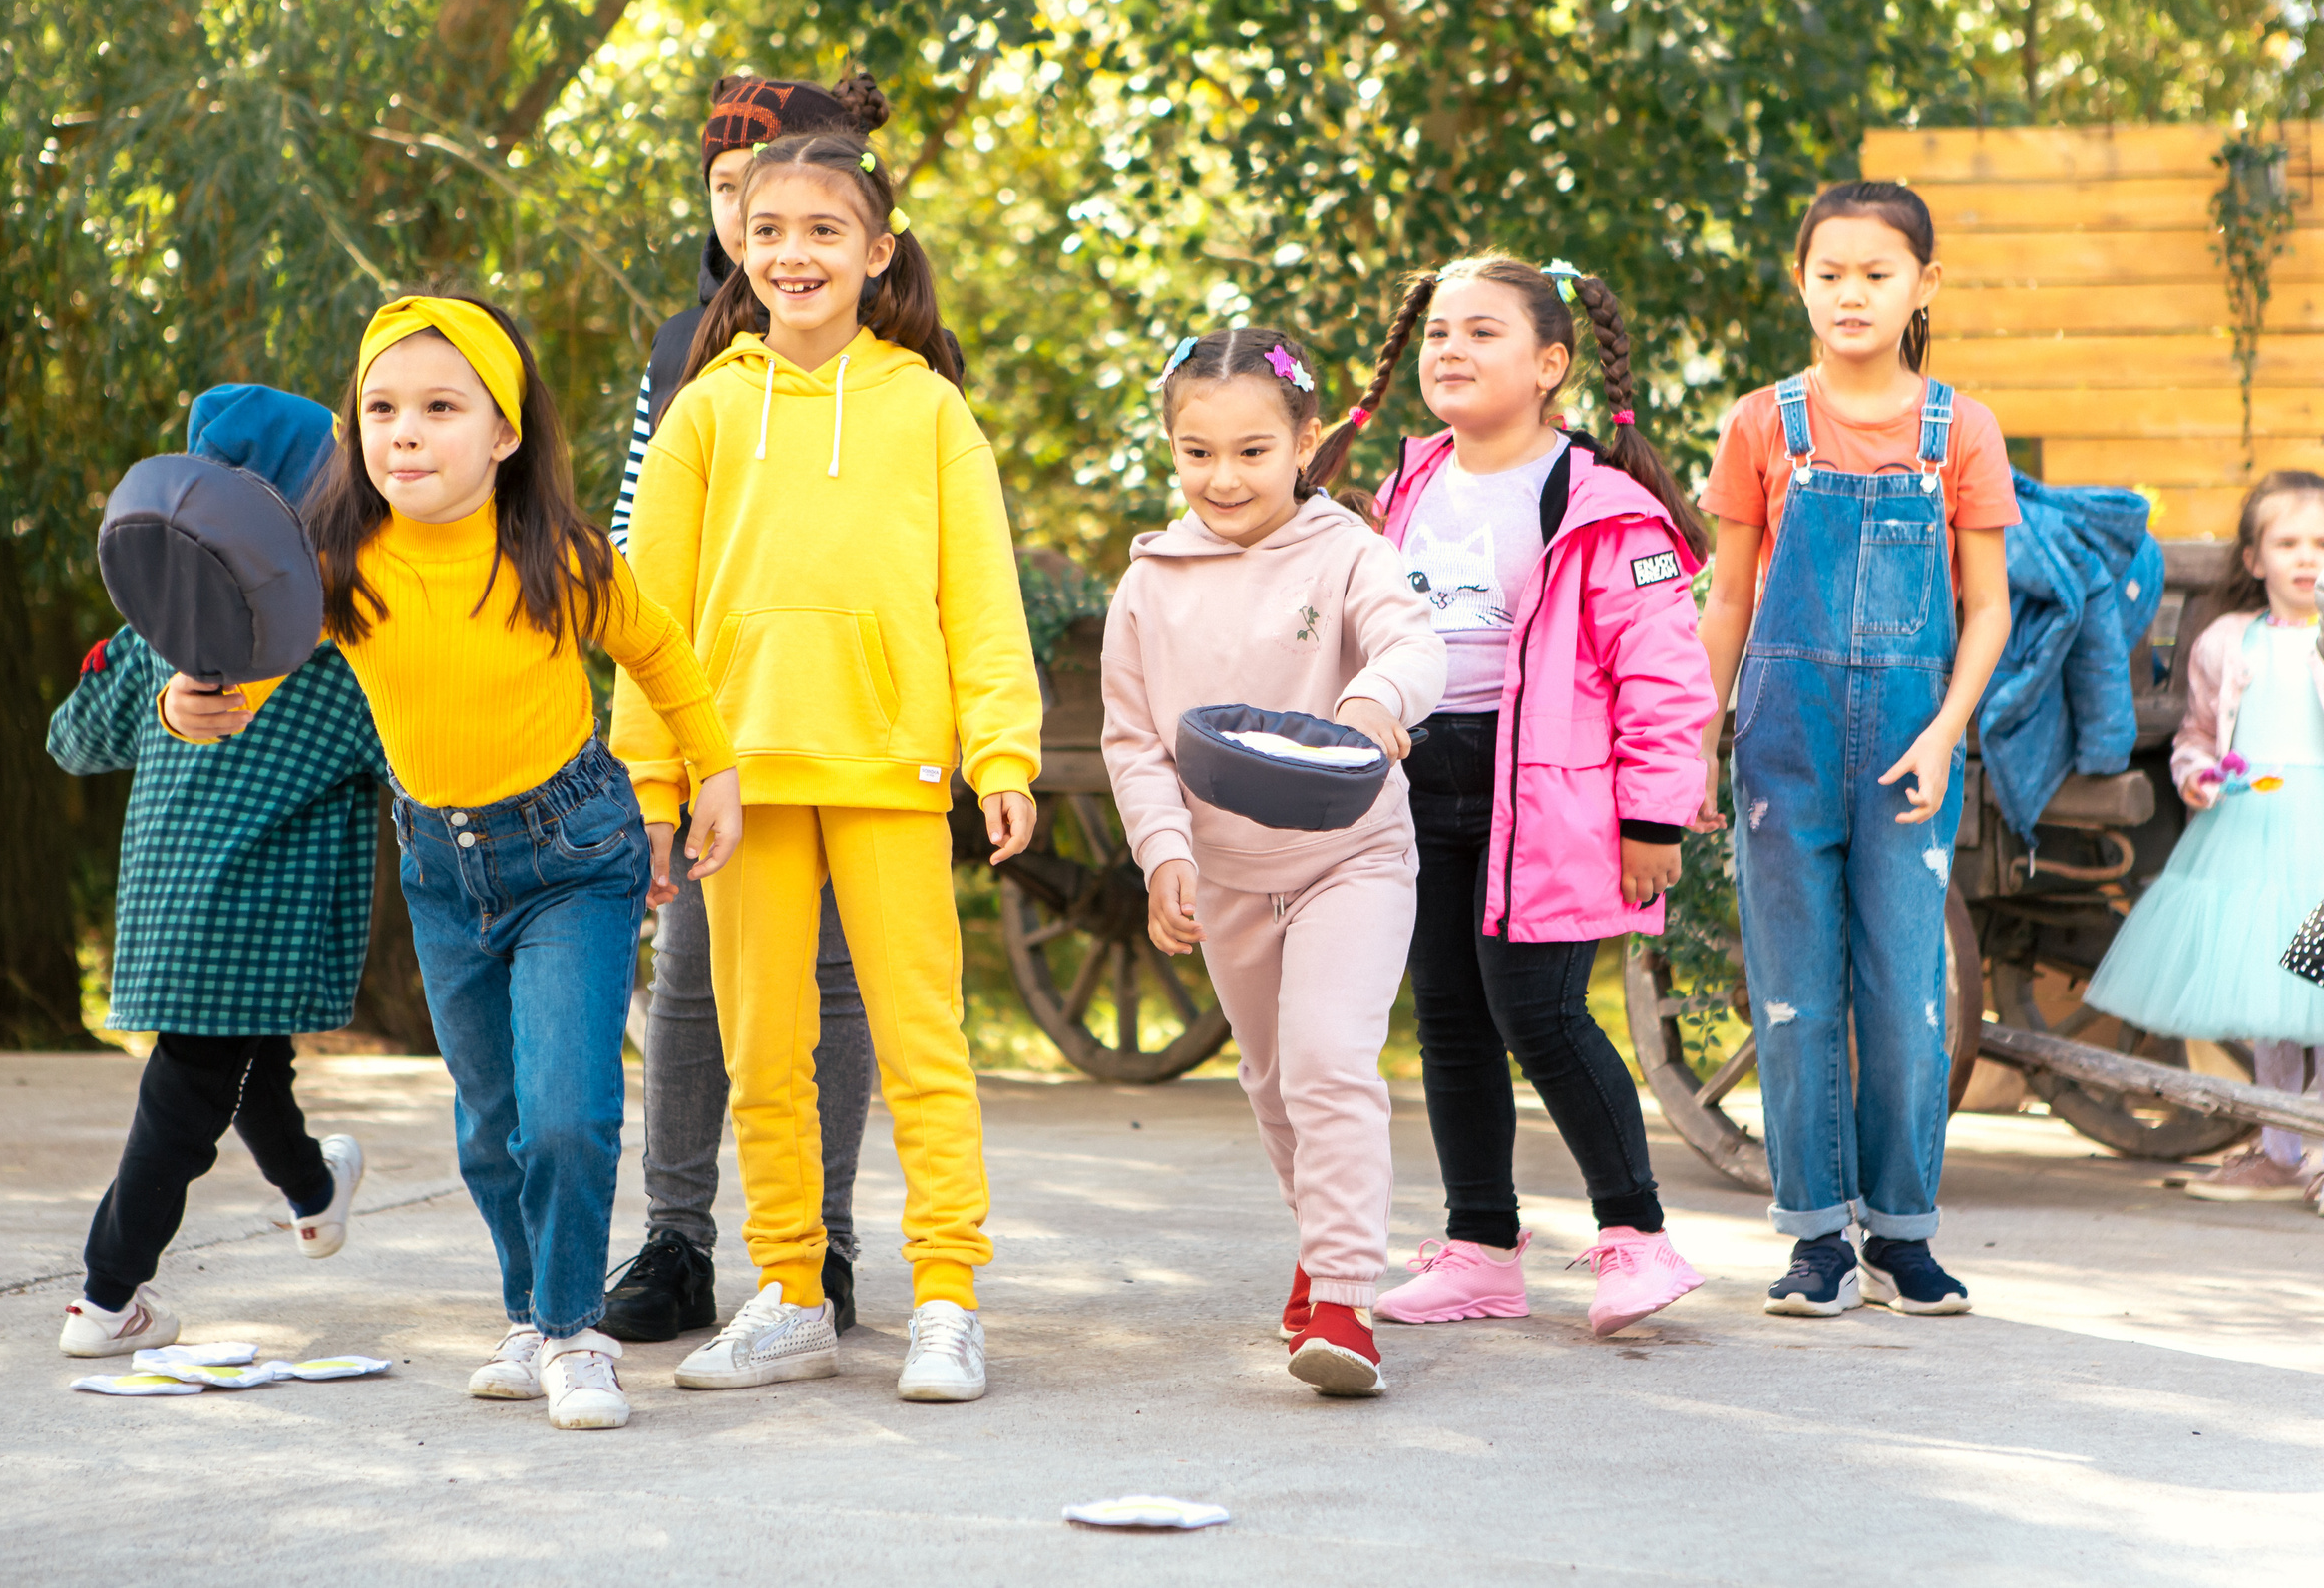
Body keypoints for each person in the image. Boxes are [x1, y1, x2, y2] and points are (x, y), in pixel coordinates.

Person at [181, 295, 742, 1430]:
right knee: (490, 1125)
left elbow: (659, 649)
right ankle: (529, 1315)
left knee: (568, 1114)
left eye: (441, 408)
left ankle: (577, 1334)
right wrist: (190, 702)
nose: (406, 431)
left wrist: (714, 770)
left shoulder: (557, 556)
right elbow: (239, 683)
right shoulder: (338, 565)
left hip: (575, 853)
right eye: (382, 408)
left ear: (504, 434)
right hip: (443, 868)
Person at [611, 130, 1039, 1404]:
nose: (792, 253)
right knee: (762, 1050)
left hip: (889, 767)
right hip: (736, 778)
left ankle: (948, 1299)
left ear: (876, 252)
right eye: (768, 230)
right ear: (737, 247)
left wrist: (1001, 750)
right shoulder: (704, 408)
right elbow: (648, 613)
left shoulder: (928, 409)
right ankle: (791, 1294)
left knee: (922, 1044)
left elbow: (981, 595)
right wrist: (652, 780)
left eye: (822, 231)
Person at [1356, 257, 1717, 1338]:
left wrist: (1653, 817)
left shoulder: (1602, 506)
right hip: (1422, 785)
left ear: (1550, 364)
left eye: (1482, 333)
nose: (1451, 350)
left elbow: (1664, 675)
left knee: (1540, 1014)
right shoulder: (1408, 487)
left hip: (1550, 804)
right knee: (1449, 1021)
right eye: (1438, 333)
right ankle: (1478, 1250)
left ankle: (1637, 1238)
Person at [601, 71, 893, 1344]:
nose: (743, 220)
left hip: (848, 721)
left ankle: (820, 1239)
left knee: (835, 981)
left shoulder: (902, 356)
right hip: (711, 708)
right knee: (690, 977)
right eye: (725, 193)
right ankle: (677, 1237)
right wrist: (650, 732)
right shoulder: (687, 349)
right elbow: (641, 539)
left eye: (768, 195)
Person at [1102, 325, 1445, 1396]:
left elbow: (1413, 643)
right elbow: (1133, 741)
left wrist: (1374, 701)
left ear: (1304, 441)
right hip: (1226, 870)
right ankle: (1320, 1246)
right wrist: (1163, 851)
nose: (1224, 477)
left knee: (1327, 1062)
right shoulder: (1147, 585)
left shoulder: (1349, 554)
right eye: (1196, 452)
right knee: (1272, 1083)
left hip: (1351, 853)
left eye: (1252, 450)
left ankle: (1343, 1298)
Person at [1696, 181, 2018, 1317]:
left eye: (1876, 274)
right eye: (1829, 272)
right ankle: (1815, 1241)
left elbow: (1988, 607)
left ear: (1922, 286)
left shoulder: (1960, 430)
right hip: (1782, 742)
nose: (1851, 293)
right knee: (1791, 996)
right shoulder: (1760, 424)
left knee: (1907, 1001)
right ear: (1800, 282)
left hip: (1910, 747)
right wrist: (1696, 744)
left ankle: (1901, 1236)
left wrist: (1944, 731)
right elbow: (1728, 599)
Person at [49, 385, 383, 1358]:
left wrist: (150, 693)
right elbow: (424, 760)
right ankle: (106, 1297)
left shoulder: (157, 638)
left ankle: (314, 1194)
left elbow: (70, 739)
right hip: (258, 928)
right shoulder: (347, 661)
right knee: (185, 1106)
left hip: (170, 919)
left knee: (249, 1065)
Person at [2088, 471, 2324, 1203]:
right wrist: (2197, 774)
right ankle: (2282, 1149)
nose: (2307, 557)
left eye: (2322, 543)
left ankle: (2319, 1147)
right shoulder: (2227, 642)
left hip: (2316, 838)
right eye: (2288, 542)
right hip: (2251, 836)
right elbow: (2196, 733)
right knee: (2272, 998)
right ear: (2254, 559)